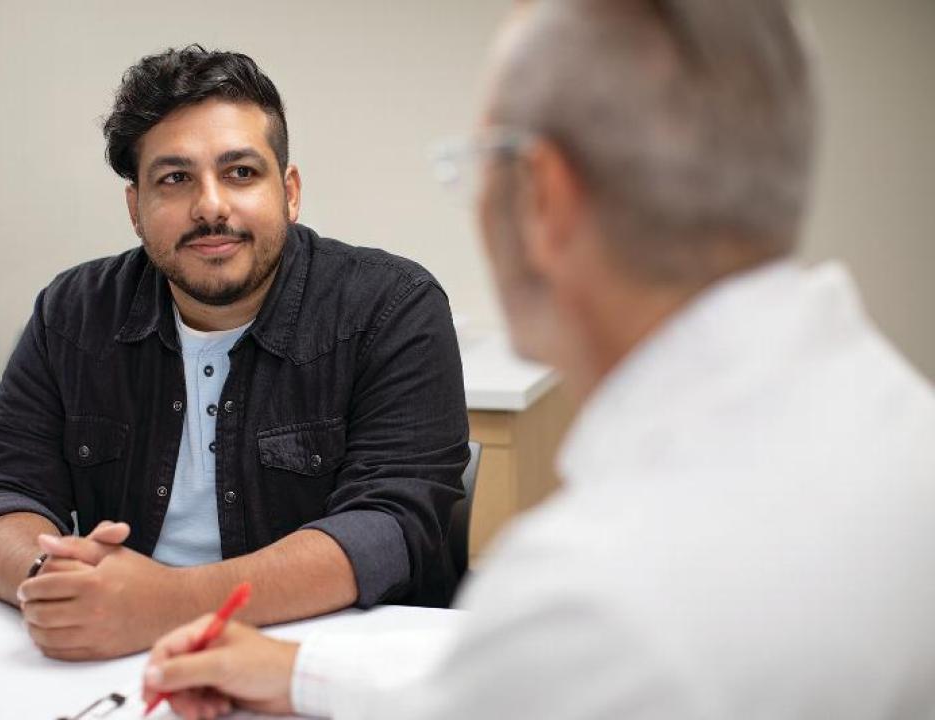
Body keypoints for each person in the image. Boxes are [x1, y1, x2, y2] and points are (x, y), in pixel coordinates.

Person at [138, 1, 935, 718]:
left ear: (541, 197)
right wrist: (304, 677)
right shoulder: (899, 430)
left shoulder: (592, 596)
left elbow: (555, 671)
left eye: (479, 164)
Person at [0, 46, 470, 661]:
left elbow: (391, 528)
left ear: (289, 192)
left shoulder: (392, 307)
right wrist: (53, 583)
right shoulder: (74, 312)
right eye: (175, 179)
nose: (211, 206)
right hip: (118, 657)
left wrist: (165, 603)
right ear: (136, 208)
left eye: (240, 172)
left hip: (323, 660)